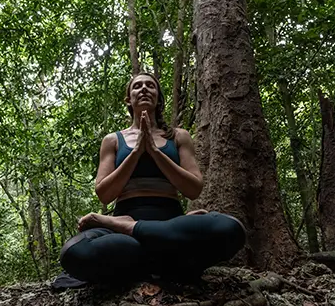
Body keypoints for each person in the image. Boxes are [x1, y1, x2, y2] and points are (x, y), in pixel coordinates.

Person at [59, 72, 246, 284]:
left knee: (231, 229)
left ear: (158, 97)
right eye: (137, 86)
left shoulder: (179, 136)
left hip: (169, 222)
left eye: (150, 85)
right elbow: (104, 194)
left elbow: (194, 189)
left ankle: (133, 234)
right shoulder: (113, 140)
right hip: (127, 228)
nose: (144, 89)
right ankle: (159, 259)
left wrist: (156, 153)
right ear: (129, 99)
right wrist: (136, 152)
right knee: (75, 251)